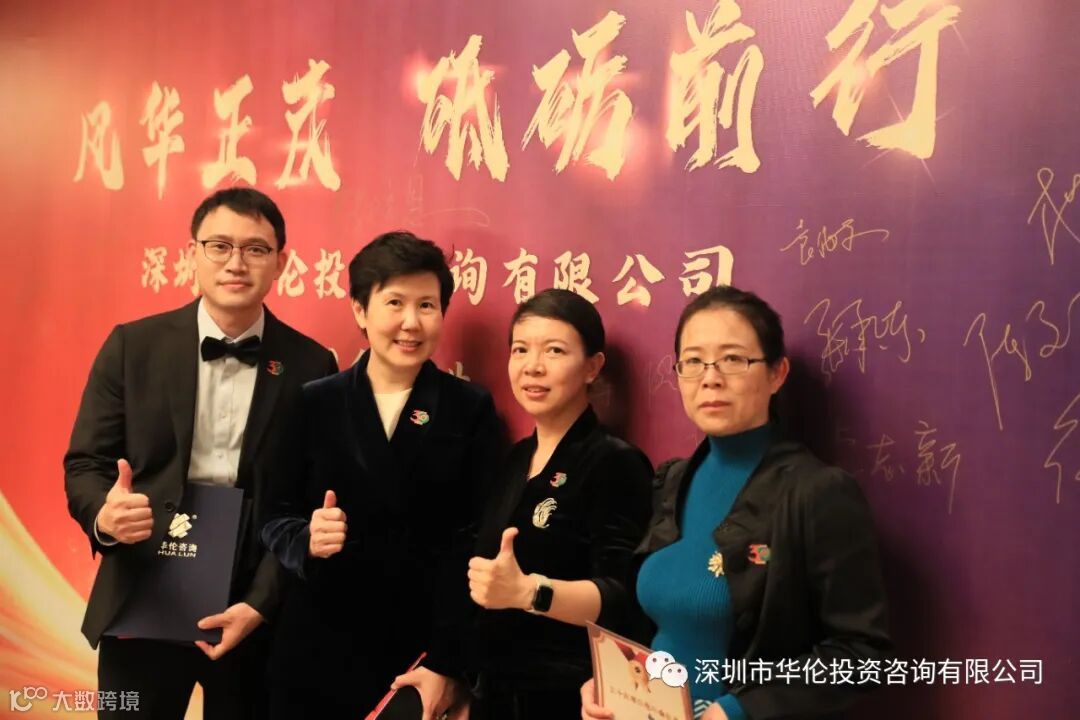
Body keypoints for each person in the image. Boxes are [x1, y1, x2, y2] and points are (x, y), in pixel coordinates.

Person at [64, 187, 338, 719]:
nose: (236, 263)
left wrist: (260, 603)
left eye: (255, 249)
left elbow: (307, 500)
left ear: (282, 262)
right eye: (219, 246)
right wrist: (105, 516)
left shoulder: (311, 365)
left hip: (253, 596)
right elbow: (86, 463)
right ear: (192, 253)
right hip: (147, 580)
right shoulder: (132, 346)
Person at [582, 286, 892, 720]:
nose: (710, 378)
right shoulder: (672, 479)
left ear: (777, 373)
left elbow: (862, 655)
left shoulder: (817, 492)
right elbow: (662, 624)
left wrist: (737, 711)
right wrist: (613, 679)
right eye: (693, 361)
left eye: (732, 359)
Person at [260, 231, 501, 719]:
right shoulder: (314, 401)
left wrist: (447, 661)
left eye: (427, 305)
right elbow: (272, 512)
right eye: (395, 303)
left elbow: (477, 540)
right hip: (317, 644)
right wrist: (306, 538)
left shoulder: (469, 408)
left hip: (417, 651)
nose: (411, 322)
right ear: (360, 310)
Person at [467, 289, 653, 720]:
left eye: (554, 350)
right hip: (492, 692)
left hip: (569, 699)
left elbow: (625, 597)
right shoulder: (515, 458)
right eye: (520, 349)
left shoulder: (614, 462)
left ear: (593, 367)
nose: (533, 366)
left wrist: (530, 592)